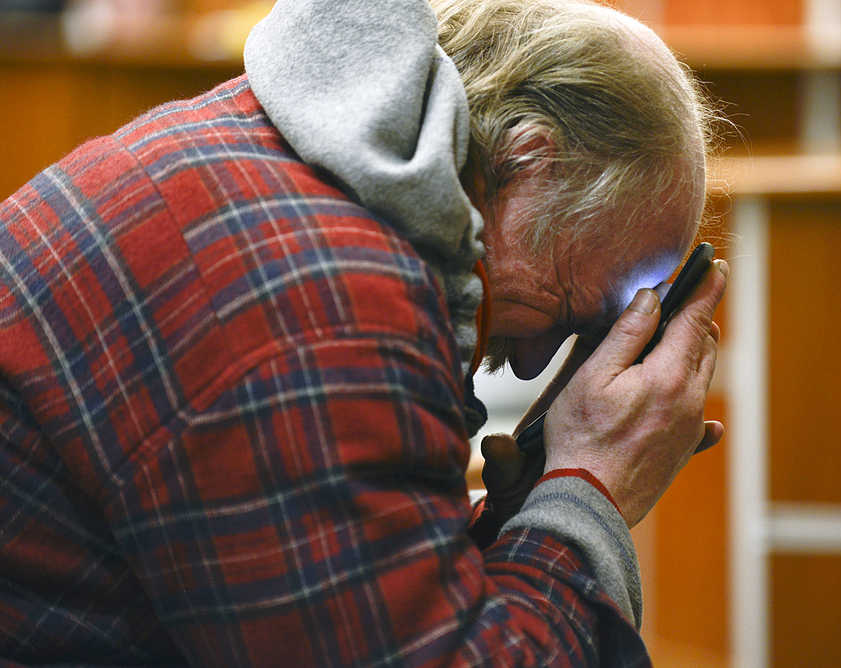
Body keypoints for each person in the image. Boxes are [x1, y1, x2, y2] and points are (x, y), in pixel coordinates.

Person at [0, 0, 727, 664]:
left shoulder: (292, 154)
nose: (539, 364)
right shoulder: (323, 298)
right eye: (578, 307)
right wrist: (588, 488)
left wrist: (522, 515)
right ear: (525, 160)